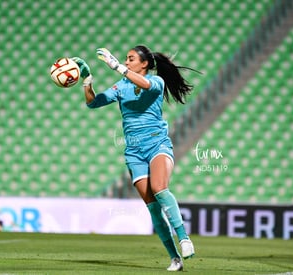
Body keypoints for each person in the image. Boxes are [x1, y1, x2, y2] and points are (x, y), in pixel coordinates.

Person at [71, 45, 199, 272]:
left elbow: (145, 84)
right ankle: (175, 258)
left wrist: (116, 66)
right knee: (152, 208)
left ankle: (184, 238)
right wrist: (87, 80)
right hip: (134, 152)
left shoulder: (156, 82)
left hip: (157, 144)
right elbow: (93, 103)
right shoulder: (121, 86)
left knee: (160, 188)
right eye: (125, 59)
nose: (127, 61)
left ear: (145, 63)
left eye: (131, 59)